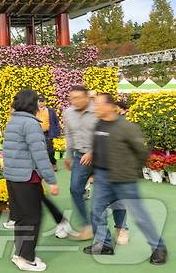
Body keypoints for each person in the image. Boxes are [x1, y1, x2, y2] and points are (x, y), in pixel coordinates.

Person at [86, 93, 167, 264]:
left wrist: (130, 170)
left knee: (139, 215)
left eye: (99, 105)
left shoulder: (127, 127)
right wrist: (93, 172)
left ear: (110, 106)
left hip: (124, 179)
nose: (96, 108)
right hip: (102, 177)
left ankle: (158, 248)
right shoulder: (98, 125)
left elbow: (142, 151)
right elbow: (97, 149)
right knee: (96, 211)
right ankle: (104, 244)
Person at [63, 85, 127, 242]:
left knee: (112, 193)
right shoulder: (68, 112)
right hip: (80, 157)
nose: (75, 101)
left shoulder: (99, 110)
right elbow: (69, 134)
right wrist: (68, 154)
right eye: (72, 98)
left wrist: (92, 152)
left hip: (103, 157)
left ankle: (121, 227)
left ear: (87, 97)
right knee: (75, 189)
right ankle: (88, 227)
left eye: (78, 97)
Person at [4, 89, 58, 272]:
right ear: (32, 104)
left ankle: (20, 253)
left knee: (21, 217)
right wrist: (51, 180)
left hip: (13, 177)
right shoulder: (31, 123)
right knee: (32, 218)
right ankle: (26, 258)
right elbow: (40, 155)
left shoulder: (13, 121)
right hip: (27, 178)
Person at [36, 95, 60, 171]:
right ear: (37, 102)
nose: (41, 103)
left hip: (47, 133)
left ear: (45, 102)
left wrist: (56, 133)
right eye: (40, 101)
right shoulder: (34, 111)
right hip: (37, 134)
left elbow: (56, 122)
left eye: (42, 101)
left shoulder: (50, 111)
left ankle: (53, 163)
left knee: (50, 150)